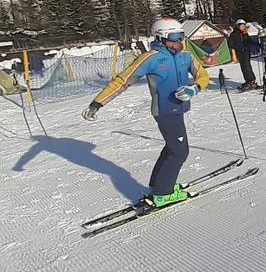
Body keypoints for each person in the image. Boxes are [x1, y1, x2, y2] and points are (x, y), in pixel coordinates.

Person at [81, 17, 210, 208]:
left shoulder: (186, 56)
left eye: (181, 36)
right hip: (164, 111)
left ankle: (158, 186)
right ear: (160, 38)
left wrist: (195, 88)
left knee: (172, 148)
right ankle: (163, 194)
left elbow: (203, 75)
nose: (179, 41)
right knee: (179, 152)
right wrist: (97, 103)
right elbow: (122, 81)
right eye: (174, 37)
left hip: (180, 109)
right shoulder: (150, 58)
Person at [228, 19, 257, 90]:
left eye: (244, 26)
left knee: (247, 66)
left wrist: (257, 45)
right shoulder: (234, 34)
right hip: (240, 52)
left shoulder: (244, 33)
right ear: (238, 26)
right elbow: (230, 44)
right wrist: (240, 48)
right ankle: (249, 80)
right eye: (242, 26)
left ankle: (251, 80)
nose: (243, 27)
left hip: (246, 52)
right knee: (244, 67)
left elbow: (249, 41)